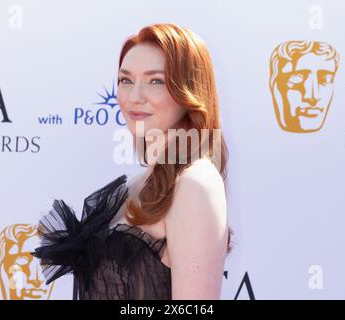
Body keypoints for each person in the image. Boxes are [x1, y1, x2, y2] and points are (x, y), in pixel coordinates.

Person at [31, 23, 232, 300]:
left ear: (189, 92)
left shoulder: (195, 182)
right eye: (126, 80)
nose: (134, 97)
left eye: (155, 81)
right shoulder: (133, 185)